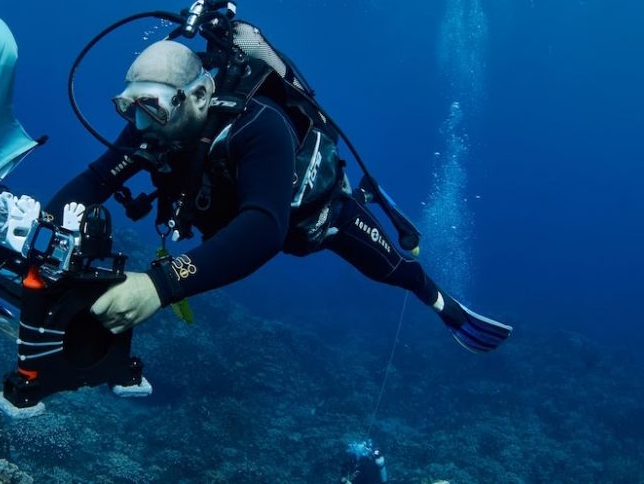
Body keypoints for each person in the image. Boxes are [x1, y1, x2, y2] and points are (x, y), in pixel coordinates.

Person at [45, 39, 512, 352]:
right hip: (234, 220)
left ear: (200, 95)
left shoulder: (258, 126)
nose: (140, 124)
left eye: (153, 107)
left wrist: (160, 284)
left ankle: (443, 304)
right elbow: (94, 182)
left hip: (313, 219)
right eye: (128, 106)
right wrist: (39, 228)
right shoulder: (152, 129)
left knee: (392, 267)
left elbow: (266, 229)